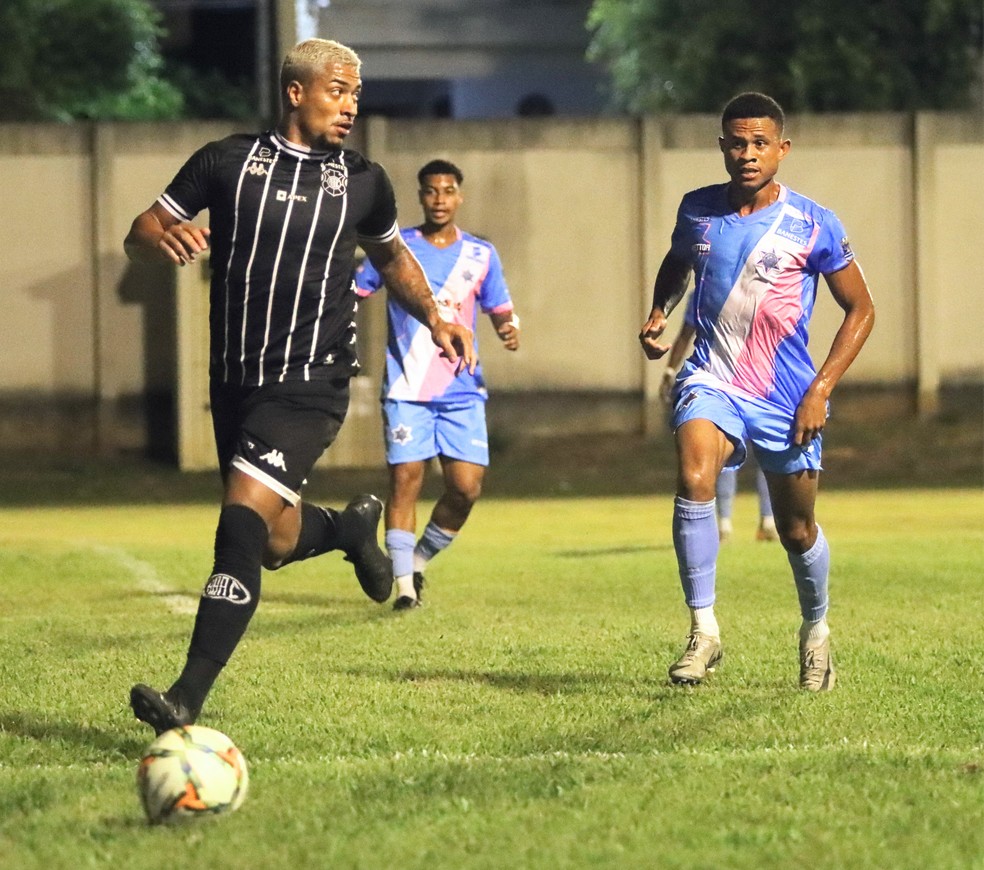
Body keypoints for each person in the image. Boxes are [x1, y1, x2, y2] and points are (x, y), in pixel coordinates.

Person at [123, 39, 476, 734]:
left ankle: (185, 699)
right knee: (276, 542)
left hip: (310, 384)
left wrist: (435, 314)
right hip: (235, 382)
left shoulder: (364, 181)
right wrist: (156, 240)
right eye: (337, 91)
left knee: (239, 527)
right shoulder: (225, 161)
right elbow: (145, 226)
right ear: (295, 92)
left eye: (355, 94)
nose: (349, 105)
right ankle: (346, 530)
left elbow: (394, 258)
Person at [639, 92, 874, 692]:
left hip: (787, 396)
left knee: (797, 531)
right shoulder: (697, 210)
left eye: (760, 143)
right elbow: (677, 263)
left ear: (782, 149)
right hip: (711, 377)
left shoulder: (815, 223)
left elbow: (862, 309)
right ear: (722, 147)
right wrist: (659, 312)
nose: (748, 154)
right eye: (737, 143)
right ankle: (703, 631)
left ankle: (816, 633)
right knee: (694, 475)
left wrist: (820, 388)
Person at [355, 159, 520, 609]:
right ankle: (404, 588)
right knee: (406, 480)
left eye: (448, 191)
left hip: (461, 388)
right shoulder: (397, 249)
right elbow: (357, 288)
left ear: (459, 196)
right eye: (431, 191)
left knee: (465, 489)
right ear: (421, 196)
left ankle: (419, 560)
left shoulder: (480, 255)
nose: (440, 199)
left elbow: (499, 306)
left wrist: (508, 327)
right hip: (407, 388)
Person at [659, 293, 778, 543]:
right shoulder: (704, 289)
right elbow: (686, 332)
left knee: (767, 452)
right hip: (720, 384)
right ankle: (723, 523)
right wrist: (670, 371)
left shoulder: (766, 282)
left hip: (761, 383)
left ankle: (767, 520)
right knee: (722, 450)